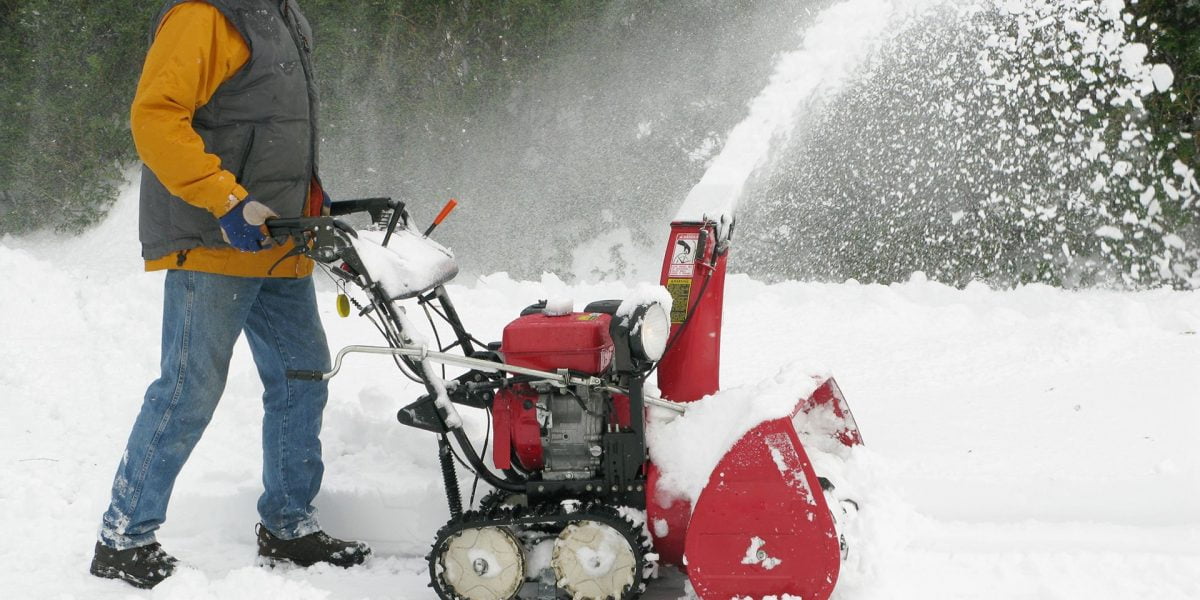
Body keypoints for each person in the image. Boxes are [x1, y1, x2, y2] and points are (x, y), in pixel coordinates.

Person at [90, 0, 369, 589]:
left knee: (302, 375)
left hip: (277, 238)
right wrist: (225, 198)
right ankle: (124, 538)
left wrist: (311, 211)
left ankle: (289, 526)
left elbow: (275, 132)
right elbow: (156, 118)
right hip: (217, 235)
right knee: (189, 387)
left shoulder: (282, 14)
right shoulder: (206, 14)